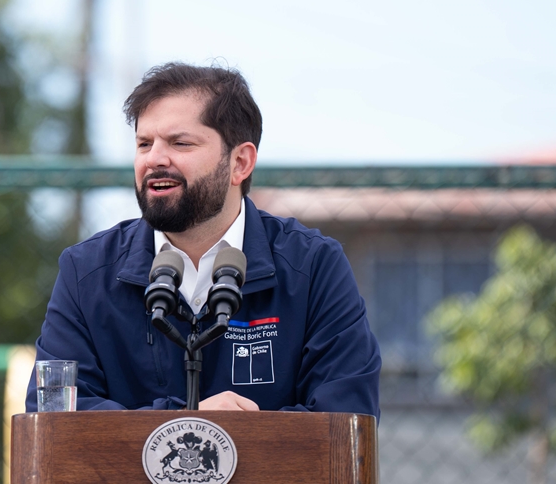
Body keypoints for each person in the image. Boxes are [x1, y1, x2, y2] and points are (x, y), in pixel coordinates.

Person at [26, 62, 380, 416]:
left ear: (240, 162)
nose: (154, 159)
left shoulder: (313, 267)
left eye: (180, 143)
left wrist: (223, 439)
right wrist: (188, 422)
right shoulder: (86, 272)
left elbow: (345, 422)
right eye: (144, 143)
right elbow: (56, 418)